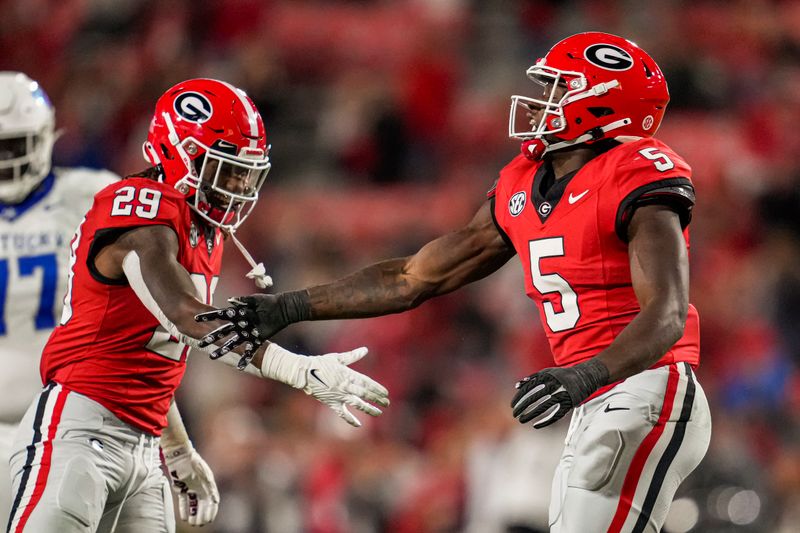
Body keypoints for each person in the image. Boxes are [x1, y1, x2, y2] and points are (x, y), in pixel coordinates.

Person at [199, 32, 712, 532]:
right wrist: (287, 308)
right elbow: (413, 277)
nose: (540, 101)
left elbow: (666, 315)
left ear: (602, 107)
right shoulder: (523, 180)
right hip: (599, 395)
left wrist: (584, 376)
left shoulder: (637, 172)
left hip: (646, 388)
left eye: (559, 89)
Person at [6, 77, 389, 533]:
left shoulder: (198, 226)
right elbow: (186, 317)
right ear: (179, 153)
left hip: (142, 444)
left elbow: (154, 353)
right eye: (226, 170)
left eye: (246, 173)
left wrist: (179, 449)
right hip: (79, 428)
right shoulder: (139, 210)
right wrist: (299, 370)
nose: (238, 186)